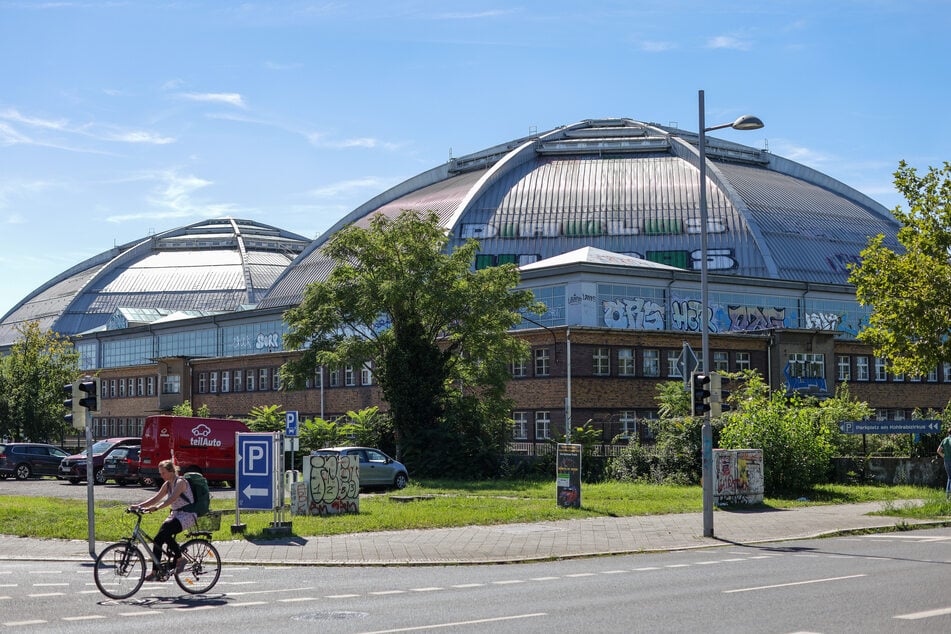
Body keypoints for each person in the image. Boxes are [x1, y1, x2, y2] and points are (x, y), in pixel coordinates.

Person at [132, 459, 197, 581]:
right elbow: (155, 498)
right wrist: (138, 506)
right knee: (158, 539)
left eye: (163, 473)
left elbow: (172, 499)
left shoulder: (180, 482)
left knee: (165, 531)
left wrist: (157, 508)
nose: (161, 475)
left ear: (171, 471)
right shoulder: (167, 484)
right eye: (160, 473)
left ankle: (180, 558)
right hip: (176, 515)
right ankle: (155, 571)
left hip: (187, 515)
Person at [937, 429, 951, 499]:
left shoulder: (945, 440)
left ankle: (947, 496)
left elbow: (938, 450)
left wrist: (944, 456)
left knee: (949, 477)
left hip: (946, 461)